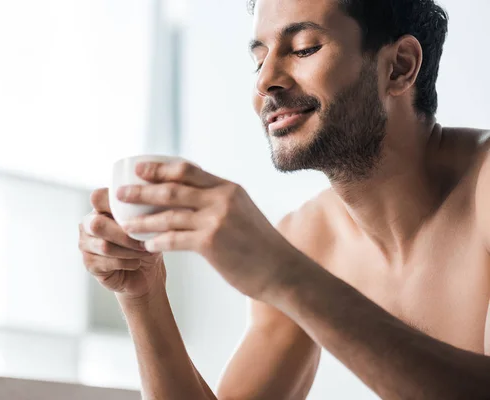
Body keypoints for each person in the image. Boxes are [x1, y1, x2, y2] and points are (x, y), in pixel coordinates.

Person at [78, 0, 490, 398]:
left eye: (304, 48)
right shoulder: (305, 238)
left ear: (399, 66)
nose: (265, 80)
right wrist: (143, 296)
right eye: (259, 59)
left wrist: (286, 277)